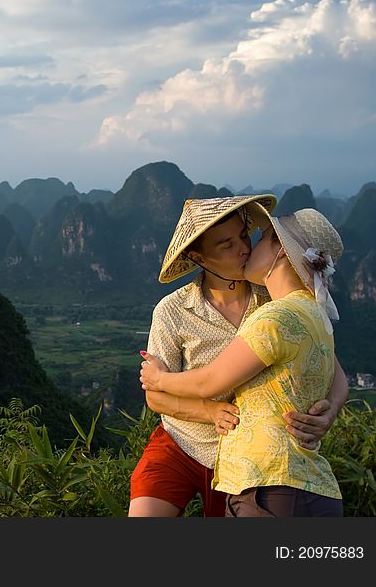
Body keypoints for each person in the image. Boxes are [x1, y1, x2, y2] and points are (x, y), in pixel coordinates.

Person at [128, 196, 348, 517]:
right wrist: (209, 411)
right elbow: (156, 398)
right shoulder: (173, 311)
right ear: (197, 256)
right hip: (181, 442)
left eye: (244, 236)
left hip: (244, 458)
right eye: (226, 245)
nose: (243, 248)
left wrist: (326, 416)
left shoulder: (272, 302)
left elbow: (336, 372)